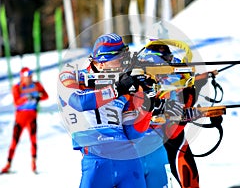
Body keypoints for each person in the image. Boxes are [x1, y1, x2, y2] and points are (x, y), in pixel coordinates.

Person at [58, 33, 155, 188]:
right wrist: (117, 89)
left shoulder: (125, 83)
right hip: (96, 156)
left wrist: (148, 105)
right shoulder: (72, 75)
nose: (125, 63)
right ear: (101, 63)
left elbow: (133, 133)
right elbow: (79, 102)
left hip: (128, 158)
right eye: (120, 59)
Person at [136, 39, 217, 188]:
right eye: (165, 61)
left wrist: (196, 83)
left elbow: (185, 101)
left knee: (189, 180)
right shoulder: (135, 82)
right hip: (146, 144)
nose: (170, 64)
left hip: (172, 139)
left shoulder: (176, 75)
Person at [1, 67, 49, 173]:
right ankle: (8, 164)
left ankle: (34, 164)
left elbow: (46, 96)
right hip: (20, 119)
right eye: (28, 77)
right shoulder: (17, 87)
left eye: (31, 76)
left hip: (32, 118)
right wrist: (27, 98)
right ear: (22, 77)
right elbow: (16, 102)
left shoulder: (37, 85)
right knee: (14, 141)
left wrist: (37, 98)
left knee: (33, 141)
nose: (30, 78)